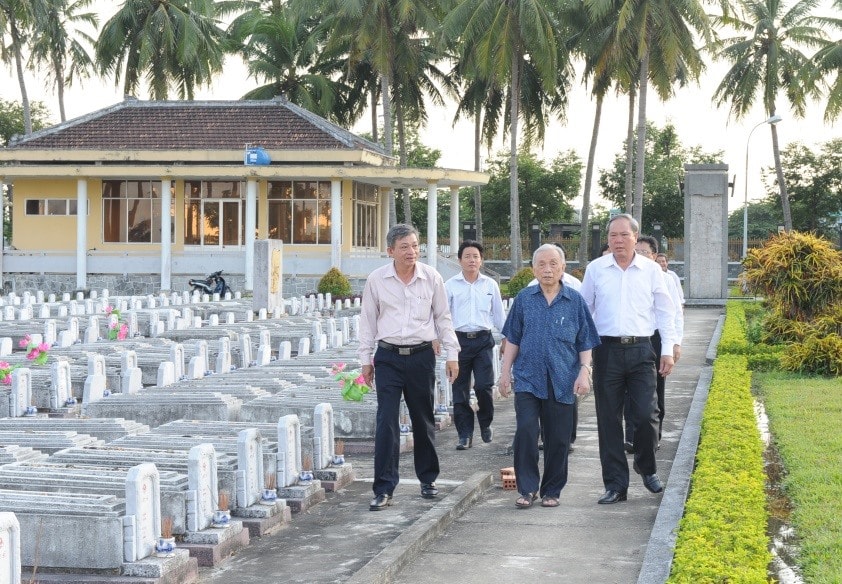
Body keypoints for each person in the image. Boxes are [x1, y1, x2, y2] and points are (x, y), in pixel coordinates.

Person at [358, 223, 460, 511]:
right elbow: (367, 321)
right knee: (386, 421)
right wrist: (366, 361)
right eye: (404, 247)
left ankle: (428, 479)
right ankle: (384, 488)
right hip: (388, 356)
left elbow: (443, 318)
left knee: (423, 417)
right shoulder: (377, 280)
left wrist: (452, 354)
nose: (411, 252)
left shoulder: (432, 277)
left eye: (415, 246)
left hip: (421, 355)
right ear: (390, 251)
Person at [579, 214, 677, 504]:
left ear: (636, 237)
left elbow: (665, 311)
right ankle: (615, 485)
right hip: (606, 350)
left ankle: (647, 468)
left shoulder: (650, 270)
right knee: (609, 420)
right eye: (612, 236)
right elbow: (585, 311)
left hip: (641, 350)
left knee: (647, 414)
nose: (617, 240)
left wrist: (668, 349)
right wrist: (582, 356)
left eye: (623, 235)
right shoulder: (596, 269)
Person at [498, 244, 600, 509]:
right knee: (526, 431)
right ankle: (528, 488)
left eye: (553, 263)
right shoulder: (524, 298)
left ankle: (552, 490)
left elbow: (585, 341)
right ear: (533, 269)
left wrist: (584, 372)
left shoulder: (575, 300)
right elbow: (513, 338)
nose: (547, 269)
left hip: (563, 379)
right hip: (528, 378)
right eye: (541, 264)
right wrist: (505, 372)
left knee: (558, 438)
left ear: (563, 267)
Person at [623, 236, 684, 452]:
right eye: (636, 251)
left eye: (644, 252)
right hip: (635, 339)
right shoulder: (628, 275)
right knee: (629, 391)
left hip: (657, 339)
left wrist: (675, 343)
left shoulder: (666, 279)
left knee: (655, 389)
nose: (638, 255)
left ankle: (653, 435)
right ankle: (630, 437)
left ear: (655, 256)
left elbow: (675, 313)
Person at [445, 240, 506, 450]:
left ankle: (486, 424)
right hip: (459, 342)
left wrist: (506, 337)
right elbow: (443, 316)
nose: (472, 260)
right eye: (468, 256)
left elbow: (498, 314)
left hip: (483, 341)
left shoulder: (490, 285)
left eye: (476, 256)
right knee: (459, 390)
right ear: (460, 260)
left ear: (481, 260)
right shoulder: (451, 285)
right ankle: (464, 434)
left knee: (484, 386)